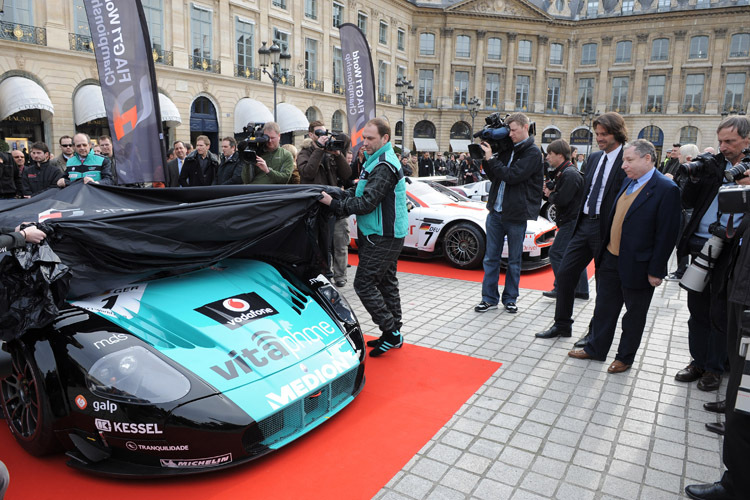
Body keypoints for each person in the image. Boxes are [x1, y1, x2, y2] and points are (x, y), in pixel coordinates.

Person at [567, 140, 681, 372]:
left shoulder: (666, 189)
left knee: (634, 315)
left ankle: (624, 358)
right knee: (604, 308)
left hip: (639, 265)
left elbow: (667, 234)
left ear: (647, 158)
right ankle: (595, 348)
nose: (624, 166)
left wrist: (656, 270)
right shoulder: (628, 182)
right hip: (611, 257)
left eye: (629, 160)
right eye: (623, 161)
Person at [318, 117, 407, 357]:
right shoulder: (376, 159)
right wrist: (341, 194)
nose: (364, 143)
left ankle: (392, 332)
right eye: (363, 138)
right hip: (382, 233)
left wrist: (334, 203)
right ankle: (394, 332)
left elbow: (367, 202)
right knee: (387, 282)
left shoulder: (383, 164)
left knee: (364, 284)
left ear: (385, 139)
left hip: (383, 235)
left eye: (370, 138)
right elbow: (362, 192)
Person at [536, 112, 628, 341]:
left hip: (606, 229)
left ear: (617, 133)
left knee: (604, 284)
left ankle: (594, 334)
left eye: (604, 134)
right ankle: (562, 325)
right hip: (583, 224)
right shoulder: (595, 158)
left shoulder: (627, 158)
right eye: (597, 134)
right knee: (566, 275)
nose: (599, 138)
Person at [674, 116, 750, 392]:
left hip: (730, 252)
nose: (723, 147)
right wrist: (694, 177)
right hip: (701, 245)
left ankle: (714, 368)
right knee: (697, 309)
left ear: (747, 140)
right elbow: (688, 200)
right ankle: (698, 360)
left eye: (729, 141)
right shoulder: (714, 165)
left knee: (719, 311)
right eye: (720, 141)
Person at [684, 210, 750, 500]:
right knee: (741, 396)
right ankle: (737, 480)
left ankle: (736, 486)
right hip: (740, 294)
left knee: (745, 400)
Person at [474, 112, 543, 315]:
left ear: (525, 128)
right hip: (496, 212)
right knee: (490, 258)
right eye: (508, 130)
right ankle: (489, 299)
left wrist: (492, 160)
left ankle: (510, 299)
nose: (510, 134)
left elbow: (512, 176)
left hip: (516, 215)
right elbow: (495, 174)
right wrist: (486, 157)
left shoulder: (532, 153)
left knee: (514, 260)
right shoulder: (506, 148)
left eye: (513, 130)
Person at [299, 121, 352, 286]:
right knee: (314, 244)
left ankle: (327, 275)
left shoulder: (330, 153)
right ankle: (314, 275)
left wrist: (337, 154)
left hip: (329, 207)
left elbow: (347, 174)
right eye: (318, 133)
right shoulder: (305, 153)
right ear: (311, 135)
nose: (322, 135)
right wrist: (319, 150)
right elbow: (308, 173)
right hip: (312, 208)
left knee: (329, 244)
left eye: (324, 132)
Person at [538, 139, 589, 306]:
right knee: (575, 256)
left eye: (550, 154)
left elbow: (562, 200)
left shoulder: (569, 174)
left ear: (560, 155)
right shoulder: (565, 171)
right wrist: (550, 193)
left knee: (556, 253)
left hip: (571, 221)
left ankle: (562, 288)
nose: (547, 157)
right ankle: (581, 290)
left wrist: (550, 194)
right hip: (571, 220)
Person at [665, 143, 701, 281]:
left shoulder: (688, 171)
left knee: (681, 242)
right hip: (687, 212)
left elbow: (684, 195)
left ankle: (681, 272)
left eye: (679, 154)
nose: (677, 156)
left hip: (685, 213)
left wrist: (671, 182)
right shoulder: (695, 170)